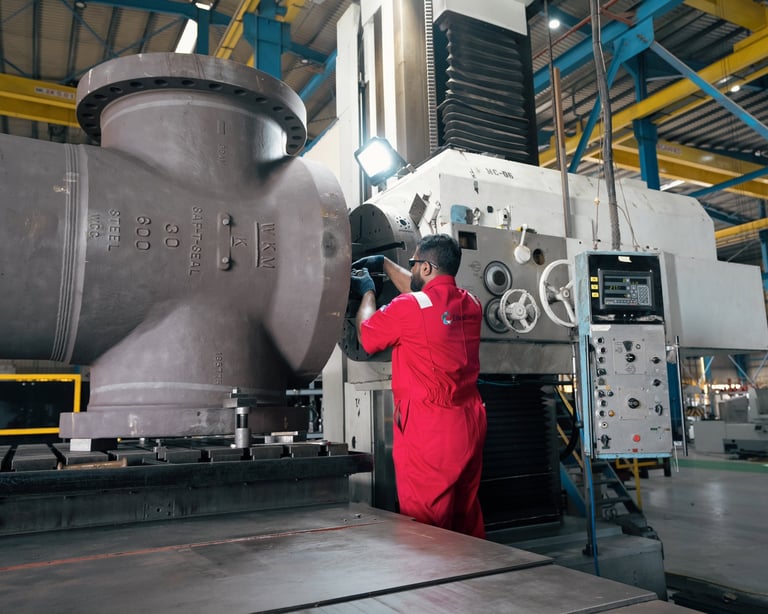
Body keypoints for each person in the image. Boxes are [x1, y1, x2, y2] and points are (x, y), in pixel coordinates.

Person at [350, 234, 487, 538]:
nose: (411, 268)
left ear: (426, 268)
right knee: (464, 518)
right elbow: (425, 298)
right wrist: (386, 265)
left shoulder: (409, 307)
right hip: (470, 422)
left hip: (430, 431)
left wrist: (367, 292)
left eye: (413, 263)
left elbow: (367, 335)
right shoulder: (471, 303)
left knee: (427, 529)